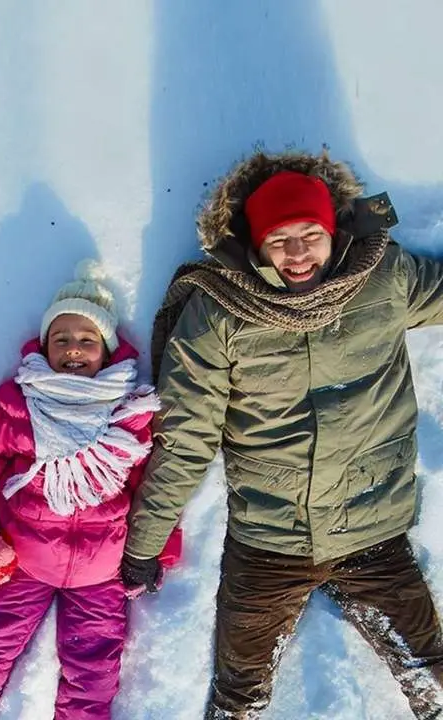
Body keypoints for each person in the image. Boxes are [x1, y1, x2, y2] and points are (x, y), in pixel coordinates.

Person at [120, 150, 443, 719]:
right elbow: (187, 439)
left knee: (431, 675)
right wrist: (145, 543)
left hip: (373, 530)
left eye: (310, 234)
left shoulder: (384, 279)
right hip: (269, 541)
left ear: (333, 231)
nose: (298, 254)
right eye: (280, 239)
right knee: (237, 696)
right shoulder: (219, 314)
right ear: (255, 243)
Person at [0, 261, 181, 720]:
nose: (73, 349)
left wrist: (156, 551)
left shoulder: (128, 416)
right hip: (21, 559)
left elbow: (152, 490)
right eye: (61, 339)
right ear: (44, 347)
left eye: (86, 340)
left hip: (102, 572)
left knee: (93, 669)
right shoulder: (18, 406)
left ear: (106, 351)